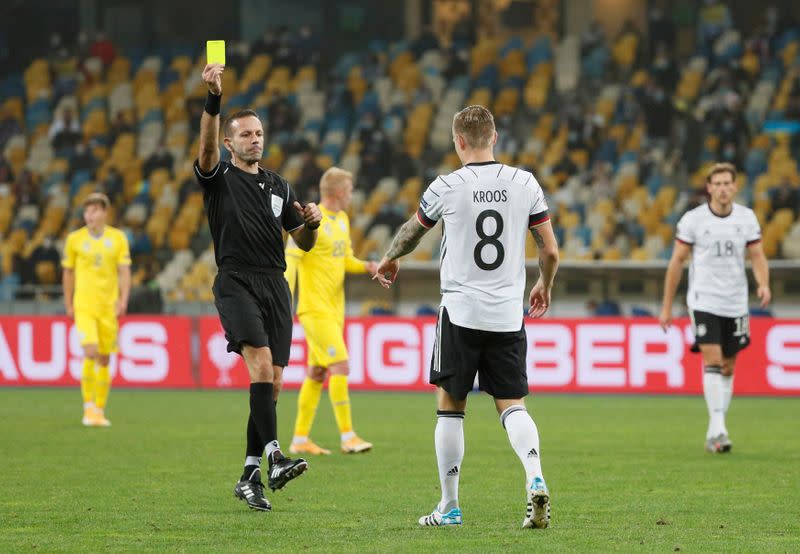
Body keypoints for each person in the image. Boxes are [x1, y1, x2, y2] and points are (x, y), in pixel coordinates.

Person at [373, 105, 560, 529]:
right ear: (494, 137)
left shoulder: (446, 186)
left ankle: (450, 506)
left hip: (459, 312)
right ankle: (535, 478)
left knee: (450, 407)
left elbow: (411, 231)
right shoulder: (524, 182)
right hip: (507, 314)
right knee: (512, 405)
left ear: (458, 142)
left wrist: (388, 259)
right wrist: (543, 285)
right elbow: (549, 250)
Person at [194, 63, 322, 512]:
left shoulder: (279, 186)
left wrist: (310, 225)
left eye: (259, 133)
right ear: (230, 143)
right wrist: (213, 98)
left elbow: (302, 243)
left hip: (276, 285)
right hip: (236, 281)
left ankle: (250, 475)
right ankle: (274, 456)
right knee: (262, 365)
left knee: (273, 383)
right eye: (246, 134)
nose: (255, 140)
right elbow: (205, 148)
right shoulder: (218, 178)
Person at [660, 162, 770, 454]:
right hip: (704, 300)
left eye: (727, 183)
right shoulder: (694, 220)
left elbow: (757, 257)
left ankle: (715, 429)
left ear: (735, 187)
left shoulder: (746, 219)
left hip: (735, 301)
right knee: (712, 359)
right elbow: (677, 262)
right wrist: (667, 306)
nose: (722, 188)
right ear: (709, 188)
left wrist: (763, 283)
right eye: (717, 183)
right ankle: (719, 428)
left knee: (728, 365)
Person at [284, 167, 378, 456]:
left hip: (334, 311)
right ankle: (348, 436)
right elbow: (292, 260)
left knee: (315, 373)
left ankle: (300, 439)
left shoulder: (343, 220)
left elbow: (344, 259)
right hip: (314, 310)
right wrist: (281, 301)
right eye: (349, 190)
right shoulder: (310, 223)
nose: (352, 195)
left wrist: (367, 266)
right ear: (338, 192)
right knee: (341, 366)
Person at [62, 193, 131, 427]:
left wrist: (123, 299)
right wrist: (68, 302)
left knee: (104, 358)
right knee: (90, 351)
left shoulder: (118, 238)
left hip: (108, 307)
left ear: (105, 213)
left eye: (94, 211)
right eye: (87, 211)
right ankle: (88, 407)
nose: (89, 215)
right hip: (84, 305)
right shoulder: (74, 240)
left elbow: (124, 271)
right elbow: (68, 272)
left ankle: (99, 410)